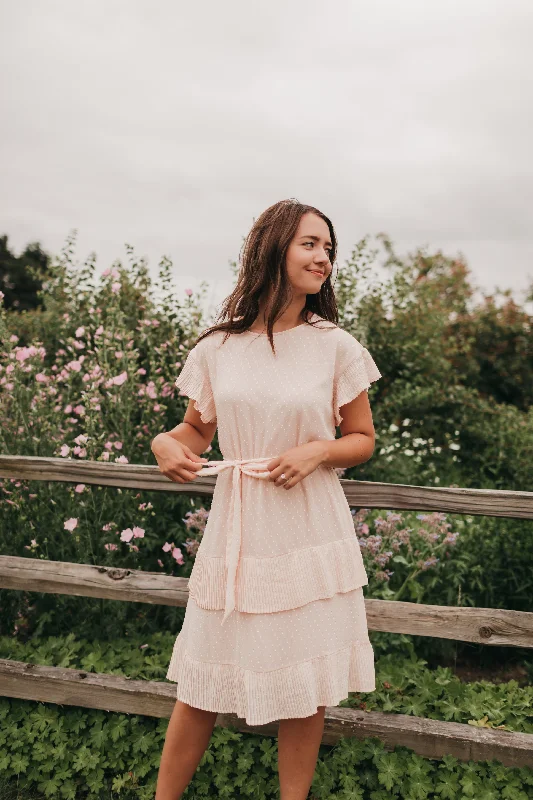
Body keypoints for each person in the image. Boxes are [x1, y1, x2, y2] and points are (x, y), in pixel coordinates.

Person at [151, 198, 382, 800]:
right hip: (238, 528)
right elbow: (194, 432)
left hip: (308, 530)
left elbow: (362, 439)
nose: (323, 257)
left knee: (304, 686)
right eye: (310, 243)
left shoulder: (336, 346)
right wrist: (161, 443)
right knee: (202, 677)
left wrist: (315, 453)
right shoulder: (218, 348)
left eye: (328, 247)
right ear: (273, 247)